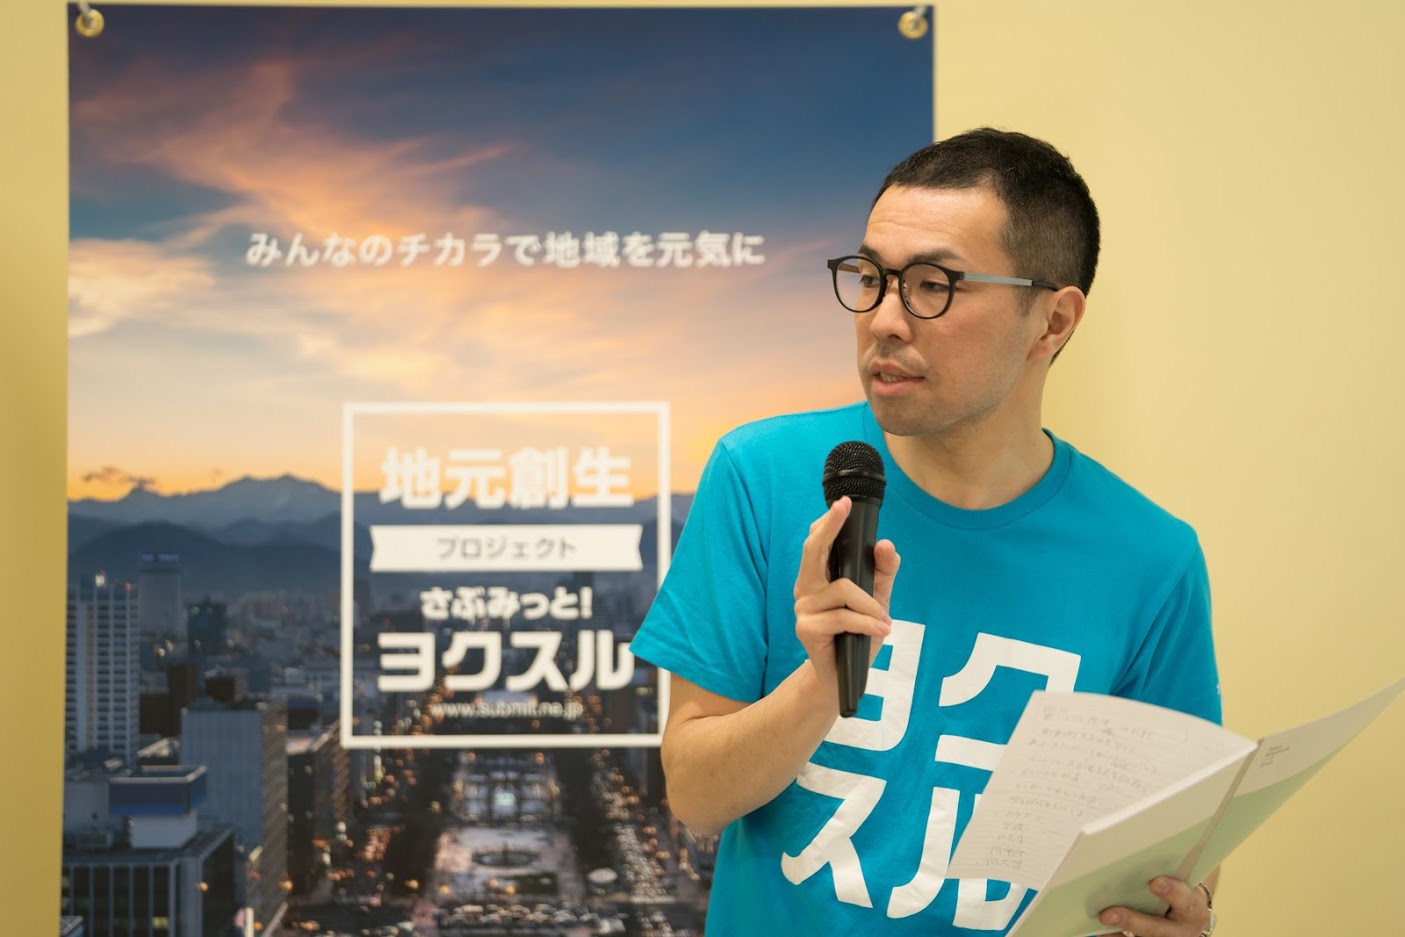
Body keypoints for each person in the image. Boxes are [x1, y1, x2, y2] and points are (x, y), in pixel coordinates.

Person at [628, 128, 1222, 936]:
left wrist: (1180, 910)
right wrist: (819, 681)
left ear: (1051, 321)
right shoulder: (760, 474)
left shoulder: (1150, 559)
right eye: (871, 278)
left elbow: (1180, 842)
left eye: (933, 285)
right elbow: (695, 796)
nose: (883, 320)